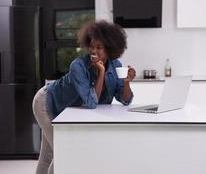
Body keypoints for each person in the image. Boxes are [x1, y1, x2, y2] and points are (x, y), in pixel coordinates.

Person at [32, 20, 136, 174]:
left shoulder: (116, 65)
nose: (94, 51)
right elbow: (91, 102)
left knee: (49, 155)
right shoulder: (78, 66)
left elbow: (125, 99)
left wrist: (126, 82)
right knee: (63, 152)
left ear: (110, 49)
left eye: (99, 47)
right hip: (46, 103)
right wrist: (100, 73)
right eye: (92, 46)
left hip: (63, 108)